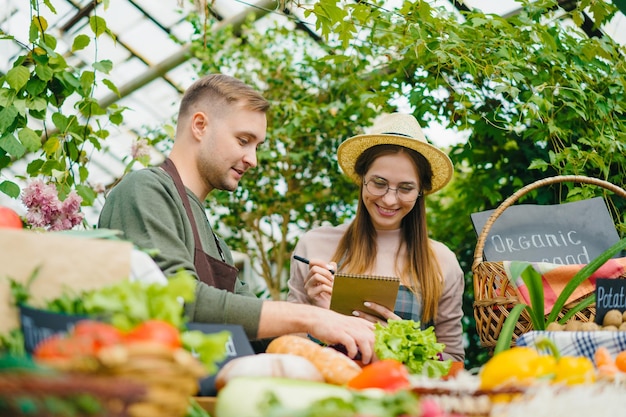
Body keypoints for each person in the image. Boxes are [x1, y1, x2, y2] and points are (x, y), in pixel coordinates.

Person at [98, 73, 375, 362]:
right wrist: (309, 317)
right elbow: (176, 300)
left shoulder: (216, 242)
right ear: (200, 125)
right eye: (244, 140)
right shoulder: (145, 190)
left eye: (256, 146)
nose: (253, 159)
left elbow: (258, 331)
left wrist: (327, 319)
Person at [287, 112, 465, 362]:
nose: (389, 199)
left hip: (402, 400)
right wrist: (318, 315)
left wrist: (403, 343)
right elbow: (290, 350)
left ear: (420, 191)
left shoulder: (442, 261)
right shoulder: (314, 245)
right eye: (379, 183)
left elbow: (453, 361)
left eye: (405, 188)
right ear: (361, 179)